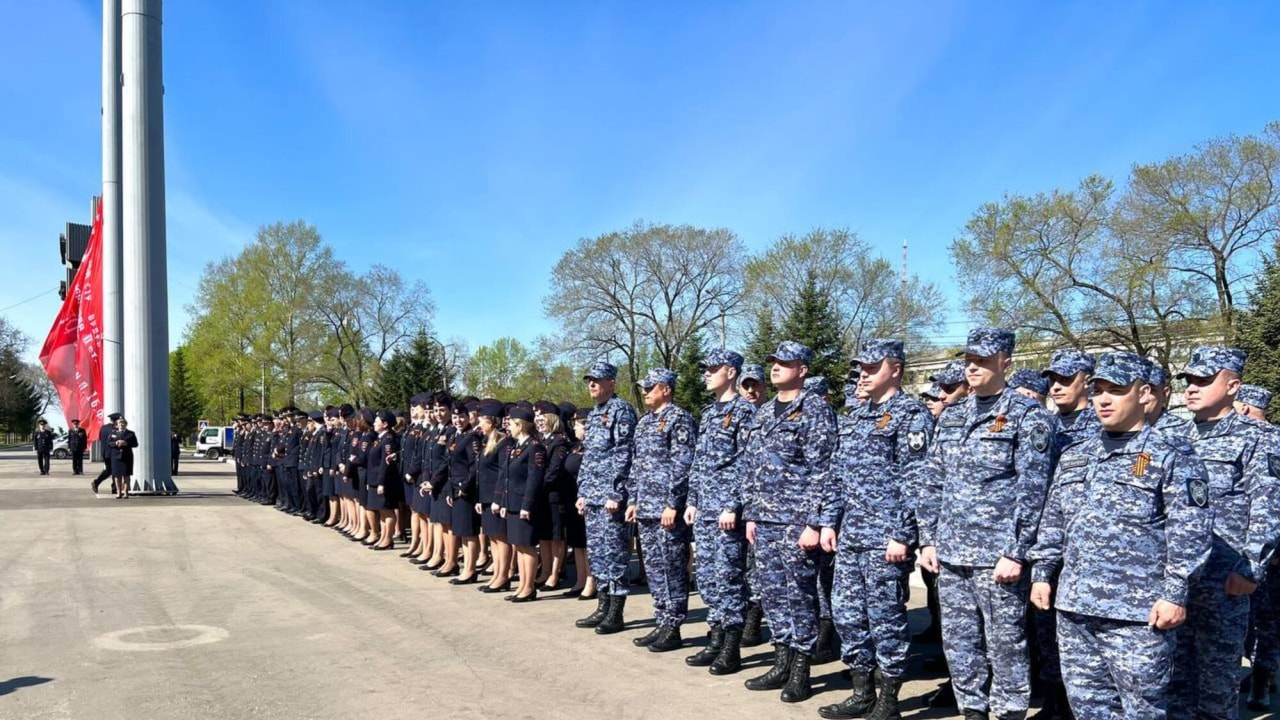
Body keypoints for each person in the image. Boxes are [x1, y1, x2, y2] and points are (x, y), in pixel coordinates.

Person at [1030, 351, 1212, 720]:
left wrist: (1176, 593)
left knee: (1142, 710)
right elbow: (1054, 520)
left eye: (1117, 390)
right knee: (1088, 709)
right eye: (1098, 390)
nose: (1104, 399)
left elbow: (1190, 530)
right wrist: (1042, 572)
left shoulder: (1171, 454)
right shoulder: (1076, 455)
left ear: (1144, 394)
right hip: (1075, 608)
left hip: (1138, 614)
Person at [917, 327, 1054, 720]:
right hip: (951, 552)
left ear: (1005, 362)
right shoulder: (954, 416)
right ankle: (972, 710)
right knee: (960, 642)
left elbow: (1034, 490)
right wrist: (928, 539)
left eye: (982, 360)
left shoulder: (1027, 417)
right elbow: (933, 480)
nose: (972, 368)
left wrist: (1017, 551)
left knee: (1006, 643)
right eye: (969, 360)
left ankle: (1009, 712)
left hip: (997, 558)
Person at [818, 339, 933, 720]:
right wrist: (829, 521)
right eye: (861, 369)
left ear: (895, 369)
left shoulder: (910, 414)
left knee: (886, 617)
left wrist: (903, 533)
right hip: (851, 534)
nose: (863, 375)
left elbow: (916, 479)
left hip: (886, 538)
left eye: (872, 368)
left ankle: (889, 699)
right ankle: (861, 690)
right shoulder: (856, 416)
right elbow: (837, 475)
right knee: (848, 614)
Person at [1169, 347, 1280, 720]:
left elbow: (1268, 506)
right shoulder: (1171, 434)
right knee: (1174, 683)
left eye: (1204, 380)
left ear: (1233, 386)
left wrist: (1251, 569)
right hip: (1175, 581)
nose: (1192, 388)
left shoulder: (1259, 438)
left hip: (1224, 580)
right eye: (1189, 381)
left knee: (1217, 688)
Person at [741, 341, 838, 704]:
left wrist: (815, 521)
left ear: (803, 369)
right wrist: (751, 512)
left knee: (800, 595)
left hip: (797, 521)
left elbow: (823, 470)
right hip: (764, 520)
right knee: (772, 593)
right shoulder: (765, 412)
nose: (776, 367)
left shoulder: (813, 409)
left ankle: (801, 669)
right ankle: (780, 661)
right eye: (774, 362)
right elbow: (752, 467)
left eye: (785, 362)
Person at [684, 349, 756, 674]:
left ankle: (731, 646)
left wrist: (733, 504)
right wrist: (693, 500)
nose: (706, 374)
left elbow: (747, 463)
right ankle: (714, 637)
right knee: (708, 577)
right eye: (705, 369)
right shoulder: (710, 413)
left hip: (727, 510)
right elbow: (699, 463)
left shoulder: (744, 412)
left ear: (730, 372)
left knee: (729, 576)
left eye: (712, 369)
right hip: (705, 510)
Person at [626, 368, 697, 652]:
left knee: (672, 567)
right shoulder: (644, 423)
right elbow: (636, 464)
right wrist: (633, 500)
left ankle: (674, 625)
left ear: (666, 389)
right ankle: (661, 619)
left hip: (667, 509)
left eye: (650, 387)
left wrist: (673, 503)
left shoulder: (679, 419)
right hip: (645, 507)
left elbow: (683, 465)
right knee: (654, 568)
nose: (645, 392)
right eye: (644, 388)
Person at [575, 362, 638, 635]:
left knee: (614, 553)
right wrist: (582, 492)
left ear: (611, 383)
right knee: (598, 553)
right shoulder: (594, 414)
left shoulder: (620, 410)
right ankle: (602, 605)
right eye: (589, 380)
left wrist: (617, 492)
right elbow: (589, 458)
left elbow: (624, 454)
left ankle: (616, 611)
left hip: (611, 497)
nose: (592, 384)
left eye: (597, 380)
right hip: (593, 497)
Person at [495, 405, 548, 603]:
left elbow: (534, 479)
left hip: (525, 505)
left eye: (511, 423)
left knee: (527, 547)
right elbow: (507, 477)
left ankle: (529, 587)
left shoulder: (535, 448)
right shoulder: (516, 446)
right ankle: (521, 586)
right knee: (518, 545)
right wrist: (503, 502)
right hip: (512, 503)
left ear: (520, 425)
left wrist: (527, 505)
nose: (508, 426)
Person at [476, 401, 515, 593]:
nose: (478, 425)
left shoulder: (504, 442)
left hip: (496, 498)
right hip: (485, 497)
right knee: (493, 538)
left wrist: (498, 499)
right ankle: (497, 573)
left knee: (502, 539)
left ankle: (503, 575)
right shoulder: (488, 441)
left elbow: (503, 473)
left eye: (481, 421)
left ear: (491, 421)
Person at [534, 401, 572, 590]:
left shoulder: (560, 441)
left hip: (554, 495)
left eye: (542, 418)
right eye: (537, 419)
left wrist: (536, 487)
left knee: (556, 537)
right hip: (541, 496)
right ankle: (545, 571)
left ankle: (555, 574)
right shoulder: (542, 441)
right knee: (544, 536)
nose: (539, 422)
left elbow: (553, 471)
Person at [444, 402, 483, 583]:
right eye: (455, 417)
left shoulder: (472, 437)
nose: (458, 420)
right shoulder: (454, 436)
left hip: (465, 491)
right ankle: (466, 568)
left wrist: (463, 488)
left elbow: (474, 466)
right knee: (462, 532)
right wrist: (450, 490)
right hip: (455, 489)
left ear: (468, 418)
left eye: (461, 417)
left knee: (469, 532)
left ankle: (470, 569)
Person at [563, 408, 595, 599]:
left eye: (578, 424)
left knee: (588, 542)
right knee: (577, 542)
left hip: (587, 500)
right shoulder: (576, 446)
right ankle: (581, 579)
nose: (575, 427)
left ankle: (592, 581)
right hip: (572, 498)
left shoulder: (594, 448)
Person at [365, 409, 400, 551]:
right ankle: (383, 537)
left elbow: (385, 464)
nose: (374, 423)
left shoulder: (388, 440)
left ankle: (388, 539)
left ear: (385, 424)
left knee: (388, 510)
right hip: (374, 480)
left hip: (384, 481)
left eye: (377, 421)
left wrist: (381, 482)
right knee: (382, 511)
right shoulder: (380, 438)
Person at [106, 416, 138, 499]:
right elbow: (109, 444)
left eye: (123, 423)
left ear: (126, 424)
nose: (121, 424)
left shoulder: (131, 434)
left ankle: (126, 492)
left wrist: (126, 443)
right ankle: (118, 492)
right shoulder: (113, 434)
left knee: (126, 475)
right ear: (117, 425)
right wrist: (116, 443)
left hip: (127, 456)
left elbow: (135, 444)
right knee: (117, 475)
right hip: (116, 457)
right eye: (120, 423)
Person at [92, 413, 123, 493]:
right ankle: (114, 488)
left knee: (109, 470)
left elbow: (100, 438)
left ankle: (97, 482)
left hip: (105, 452)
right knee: (114, 470)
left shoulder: (103, 428)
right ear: (117, 420)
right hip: (113, 452)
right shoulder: (115, 429)